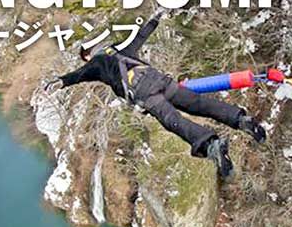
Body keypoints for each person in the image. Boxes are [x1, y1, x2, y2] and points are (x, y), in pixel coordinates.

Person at [44, 10, 266, 182]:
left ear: (88, 55)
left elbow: (78, 75)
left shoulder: (95, 64)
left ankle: (211, 145)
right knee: (199, 104)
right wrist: (157, 16)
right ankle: (241, 120)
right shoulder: (122, 51)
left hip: (145, 94)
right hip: (160, 80)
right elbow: (141, 35)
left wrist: (60, 82)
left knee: (174, 122)